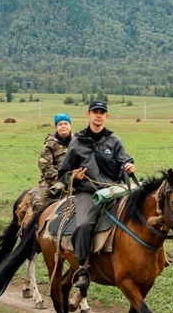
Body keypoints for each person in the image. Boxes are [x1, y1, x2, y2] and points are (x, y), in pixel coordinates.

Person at [55, 100, 135, 291]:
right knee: (84, 224)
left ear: (107, 116)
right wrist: (74, 176)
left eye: (102, 112)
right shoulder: (77, 143)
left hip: (114, 190)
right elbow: (63, 174)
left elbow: (122, 164)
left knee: (139, 211)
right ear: (88, 115)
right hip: (88, 193)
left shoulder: (115, 141)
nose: (98, 115)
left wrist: (128, 168)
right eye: (95, 112)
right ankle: (83, 268)